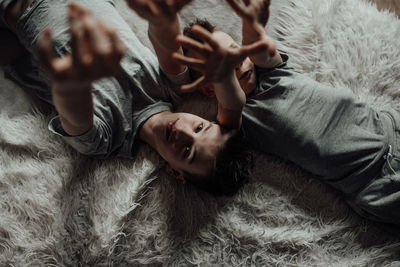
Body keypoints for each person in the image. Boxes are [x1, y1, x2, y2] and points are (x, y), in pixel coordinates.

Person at [139, 0, 400, 226]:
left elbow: (256, 45)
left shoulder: (275, 71)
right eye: (223, 66)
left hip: (389, 128)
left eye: (234, 52)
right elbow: (231, 99)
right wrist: (222, 73)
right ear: (211, 89)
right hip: (372, 181)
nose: (236, 62)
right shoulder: (238, 120)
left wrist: (250, 18)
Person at [0, 0, 271, 195]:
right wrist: (163, 16)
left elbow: (75, 115)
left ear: (174, 172)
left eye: (187, 152)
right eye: (200, 127)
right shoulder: (170, 87)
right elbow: (167, 44)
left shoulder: (108, 140)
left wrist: (74, 82)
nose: (185, 133)